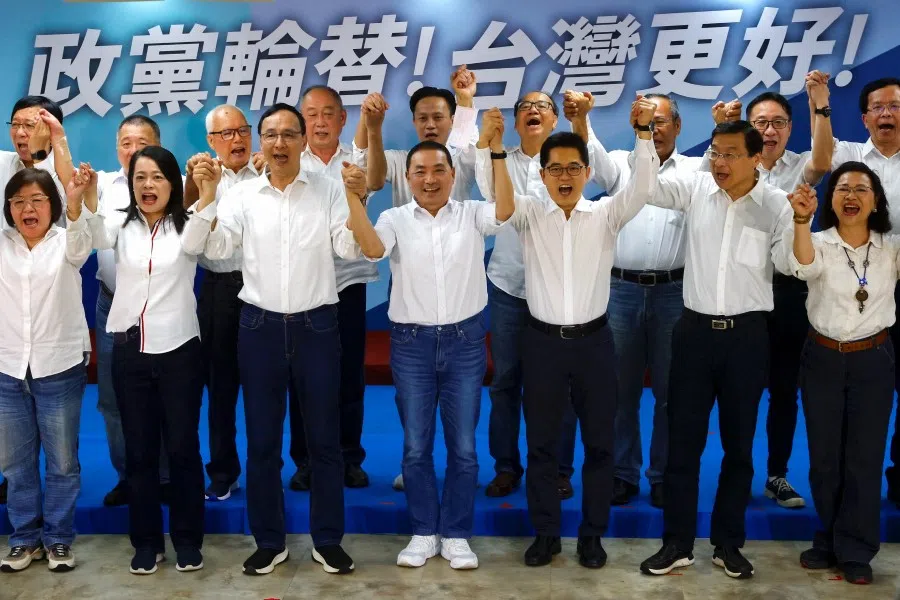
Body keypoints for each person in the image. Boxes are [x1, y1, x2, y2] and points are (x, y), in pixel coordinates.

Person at [182, 103, 360, 576]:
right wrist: (206, 197)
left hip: (318, 325)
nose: (279, 144)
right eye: (271, 135)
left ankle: (327, 540)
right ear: (262, 142)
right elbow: (213, 248)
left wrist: (357, 203)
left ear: (304, 140)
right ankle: (268, 539)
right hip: (258, 327)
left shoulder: (328, 190)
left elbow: (348, 246)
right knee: (262, 442)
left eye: (288, 134)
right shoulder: (242, 196)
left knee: (323, 442)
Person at [347, 135, 514, 569]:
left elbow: (505, 210)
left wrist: (496, 152)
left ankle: (457, 534)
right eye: (419, 171)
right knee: (417, 447)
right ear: (407, 178)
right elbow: (372, 249)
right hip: (412, 345)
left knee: (463, 447)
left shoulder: (473, 214)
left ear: (453, 175)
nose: (429, 178)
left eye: (438, 169)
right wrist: (352, 198)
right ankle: (423, 531)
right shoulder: (394, 217)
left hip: (465, 343)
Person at [638, 121, 797, 579]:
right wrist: (644, 139)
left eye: (730, 154)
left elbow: (790, 265)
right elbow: (648, 190)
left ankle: (728, 544)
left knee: (739, 446)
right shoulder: (695, 188)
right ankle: (677, 543)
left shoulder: (775, 206)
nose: (719, 162)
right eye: (715, 152)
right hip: (693, 333)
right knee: (682, 445)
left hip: (747, 337)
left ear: (756, 159)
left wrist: (802, 221)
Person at [515, 97, 659, 569]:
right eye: (555, 168)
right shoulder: (529, 214)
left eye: (574, 168)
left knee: (599, 443)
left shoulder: (606, 215)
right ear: (542, 175)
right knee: (541, 444)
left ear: (586, 173)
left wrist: (641, 136)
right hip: (541, 343)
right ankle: (545, 533)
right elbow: (496, 196)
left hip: (595, 344)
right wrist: (493, 149)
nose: (565, 176)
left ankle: (592, 536)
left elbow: (642, 186)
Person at [68, 146, 211, 575]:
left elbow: (203, 241)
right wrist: (77, 201)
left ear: (172, 183)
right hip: (130, 351)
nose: (148, 186)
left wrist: (207, 193)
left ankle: (187, 539)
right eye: (140, 178)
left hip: (180, 350)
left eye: (158, 178)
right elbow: (82, 243)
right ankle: (147, 543)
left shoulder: (189, 224)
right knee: (140, 452)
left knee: (183, 448)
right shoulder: (118, 224)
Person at [566, 90, 701, 509]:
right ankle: (622, 474)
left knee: (670, 391)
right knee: (619, 390)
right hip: (620, 291)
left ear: (678, 126)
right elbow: (589, 149)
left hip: (674, 293)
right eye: (647, 120)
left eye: (662, 121)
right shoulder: (623, 163)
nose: (655, 128)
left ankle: (662, 475)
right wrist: (582, 116)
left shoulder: (696, 170)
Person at [710, 72, 833, 509]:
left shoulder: (799, 166)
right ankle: (736, 469)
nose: (769, 130)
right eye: (760, 122)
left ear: (789, 130)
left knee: (784, 389)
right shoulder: (725, 165)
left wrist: (820, 103)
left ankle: (777, 474)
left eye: (779, 122)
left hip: (786, 293)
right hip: (737, 292)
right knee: (737, 389)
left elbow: (823, 158)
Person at [361, 66, 480, 491]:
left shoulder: (462, 160)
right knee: (413, 390)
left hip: (458, 288)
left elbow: (467, 142)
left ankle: (459, 467)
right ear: (413, 123)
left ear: (451, 120)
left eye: (440, 117)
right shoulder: (400, 162)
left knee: (461, 396)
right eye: (423, 118)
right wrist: (372, 128)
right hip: (410, 286)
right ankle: (416, 461)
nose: (431, 125)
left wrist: (466, 99)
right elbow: (371, 177)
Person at [788, 162, 895, 585]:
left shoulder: (892, 248)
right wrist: (800, 219)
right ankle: (829, 538)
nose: (851, 196)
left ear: (876, 200)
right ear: (831, 200)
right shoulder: (817, 241)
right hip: (823, 358)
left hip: (874, 360)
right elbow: (802, 265)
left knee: (865, 458)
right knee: (824, 458)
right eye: (842, 189)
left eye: (861, 189)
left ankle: (856, 549)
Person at [472, 91, 579, 500]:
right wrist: (489, 145)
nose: (533, 111)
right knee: (505, 382)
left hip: (557, 290)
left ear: (554, 121)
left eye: (542, 107)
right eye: (525, 109)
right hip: (509, 287)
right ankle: (505, 467)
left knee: (559, 387)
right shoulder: (503, 159)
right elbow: (489, 193)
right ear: (517, 123)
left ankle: (558, 469)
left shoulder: (567, 162)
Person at [0, 167, 92, 573]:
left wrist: (74, 201)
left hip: (58, 366)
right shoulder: (1, 245)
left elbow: (81, 238)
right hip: (7, 368)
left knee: (62, 463)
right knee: (16, 466)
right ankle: (23, 539)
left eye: (37, 200)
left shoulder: (68, 242)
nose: (27, 208)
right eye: (18, 202)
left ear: (52, 205)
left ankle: (57, 538)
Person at [288, 85, 373, 492]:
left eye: (328, 114)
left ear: (342, 119)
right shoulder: (286, 162)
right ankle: (305, 460)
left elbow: (373, 185)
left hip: (348, 282)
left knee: (348, 375)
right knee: (301, 378)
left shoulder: (357, 161)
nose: (319, 122)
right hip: (301, 286)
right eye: (311, 114)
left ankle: (348, 457)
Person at [182, 105, 264, 501]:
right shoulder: (202, 178)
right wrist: (195, 185)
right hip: (217, 289)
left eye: (243, 131)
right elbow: (181, 226)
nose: (238, 140)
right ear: (211, 142)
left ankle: (273, 469)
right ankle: (223, 470)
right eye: (227, 134)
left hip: (265, 288)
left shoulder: (270, 171)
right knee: (220, 387)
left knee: (267, 385)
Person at [825, 77, 900, 505]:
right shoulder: (854, 158)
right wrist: (820, 104)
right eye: (878, 107)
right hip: (866, 281)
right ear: (866, 116)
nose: (887, 114)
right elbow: (820, 156)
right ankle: (838, 493)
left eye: (895, 106)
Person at [93, 115, 170, 507]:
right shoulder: (103, 185)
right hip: (112, 303)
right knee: (111, 398)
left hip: (160, 306)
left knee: (163, 396)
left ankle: (165, 476)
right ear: (117, 147)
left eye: (143, 141)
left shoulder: (178, 185)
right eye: (126, 142)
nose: (133, 149)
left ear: (158, 144)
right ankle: (129, 476)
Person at [1, 95, 72, 204]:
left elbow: (58, 210)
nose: (20, 133)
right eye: (15, 124)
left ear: (51, 132)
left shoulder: (72, 177)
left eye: (29, 125)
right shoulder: (3, 162)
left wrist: (39, 156)